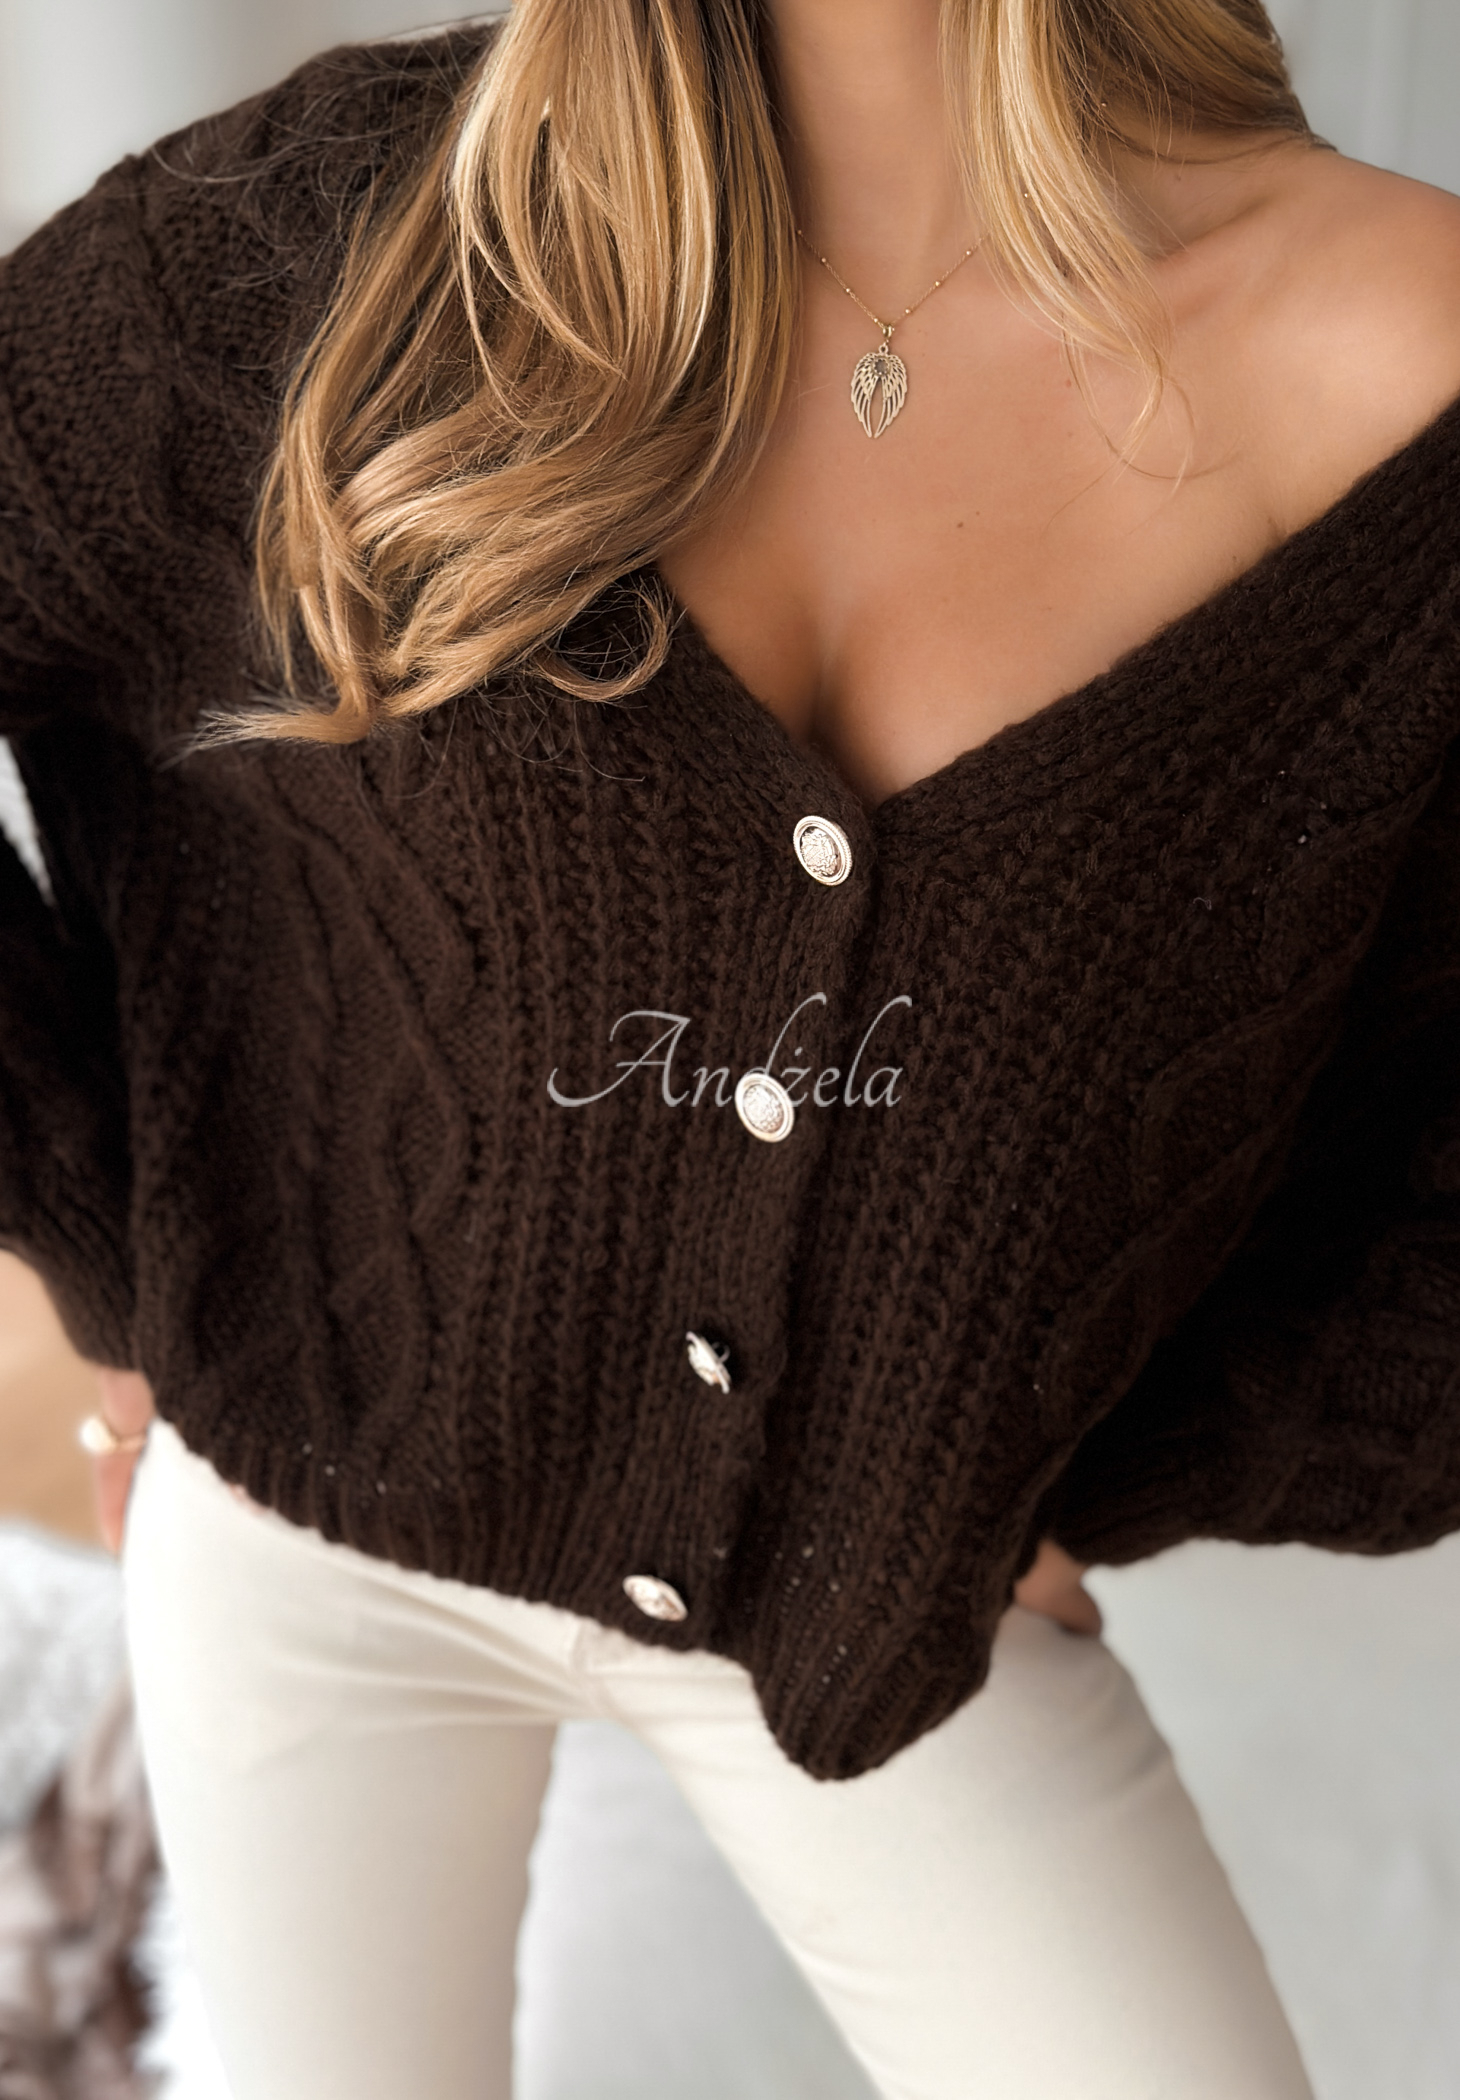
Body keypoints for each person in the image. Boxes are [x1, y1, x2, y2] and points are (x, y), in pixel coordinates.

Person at [5, 1, 1460, 2093]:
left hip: (874, 1594)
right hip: (313, 1526)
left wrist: (1070, 1447)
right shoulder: (348, 228)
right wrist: (114, 1245)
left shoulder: (1397, 355)